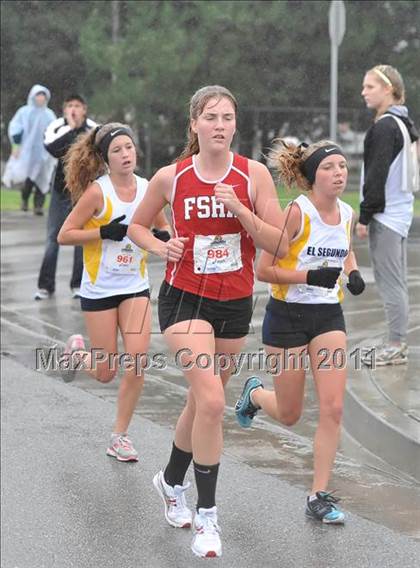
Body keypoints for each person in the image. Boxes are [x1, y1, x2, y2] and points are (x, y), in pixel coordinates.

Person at [128, 85, 289, 558]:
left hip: (235, 301)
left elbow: (278, 244)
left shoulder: (252, 175)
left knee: (203, 403)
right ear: (195, 124)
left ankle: (170, 480)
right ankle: (208, 517)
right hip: (184, 300)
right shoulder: (171, 177)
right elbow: (139, 225)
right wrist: (162, 246)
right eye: (211, 117)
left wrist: (239, 208)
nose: (220, 125)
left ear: (235, 125)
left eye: (227, 117)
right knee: (215, 401)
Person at [235, 139, 366, 525]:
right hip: (287, 316)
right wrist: (309, 275)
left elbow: (344, 250)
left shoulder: (347, 213)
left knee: (333, 406)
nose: (339, 172)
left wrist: (352, 273)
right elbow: (264, 269)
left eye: (342, 166)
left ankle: (318, 494)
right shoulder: (296, 212)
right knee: (290, 414)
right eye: (330, 167)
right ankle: (256, 395)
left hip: (328, 316)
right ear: (312, 177)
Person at [57, 122, 170, 462]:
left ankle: (119, 436)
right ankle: (76, 353)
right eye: (117, 150)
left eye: (129, 148)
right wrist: (102, 232)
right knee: (106, 372)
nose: (125, 154)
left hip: (135, 288)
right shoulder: (97, 192)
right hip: (100, 290)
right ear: (106, 158)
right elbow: (65, 234)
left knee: (137, 362)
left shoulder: (148, 188)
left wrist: (161, 237)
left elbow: (163, 226)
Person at [356, 64, 419, 366]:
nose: (363, 92)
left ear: (389, 89)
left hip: (386, 216)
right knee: (397, 282)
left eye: (370, 86)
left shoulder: (384, 127)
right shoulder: (403, 122)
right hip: (400, 213)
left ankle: (395, 344)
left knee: (391, 282)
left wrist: (365, 216)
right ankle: (397, 340)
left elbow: (376, 175)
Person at [34, 94, 96, 300]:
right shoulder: (56, 127)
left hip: (83, 191)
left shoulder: (94, 128)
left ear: (84, 109)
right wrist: (72, 128)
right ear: (64, 109)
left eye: (77, 106)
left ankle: (78, 285)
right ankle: (45, 286)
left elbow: (96, 152)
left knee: (80, 237)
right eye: (70, 106)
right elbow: (54, 149)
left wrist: (79, 129)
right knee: (53, 237)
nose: (74, 109)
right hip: (60, 190)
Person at [3, 84, 56, 214]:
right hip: (28, 153)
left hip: (44, 154)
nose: (41, 98)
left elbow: (55, 131)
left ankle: (38, 206)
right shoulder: (24, 112)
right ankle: (25, 199)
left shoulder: (49, 115)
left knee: (43, 180)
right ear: (33, 96)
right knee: (29, 179)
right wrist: (16, 146)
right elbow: (15, 128)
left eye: (43, 95)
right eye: (38, 95)